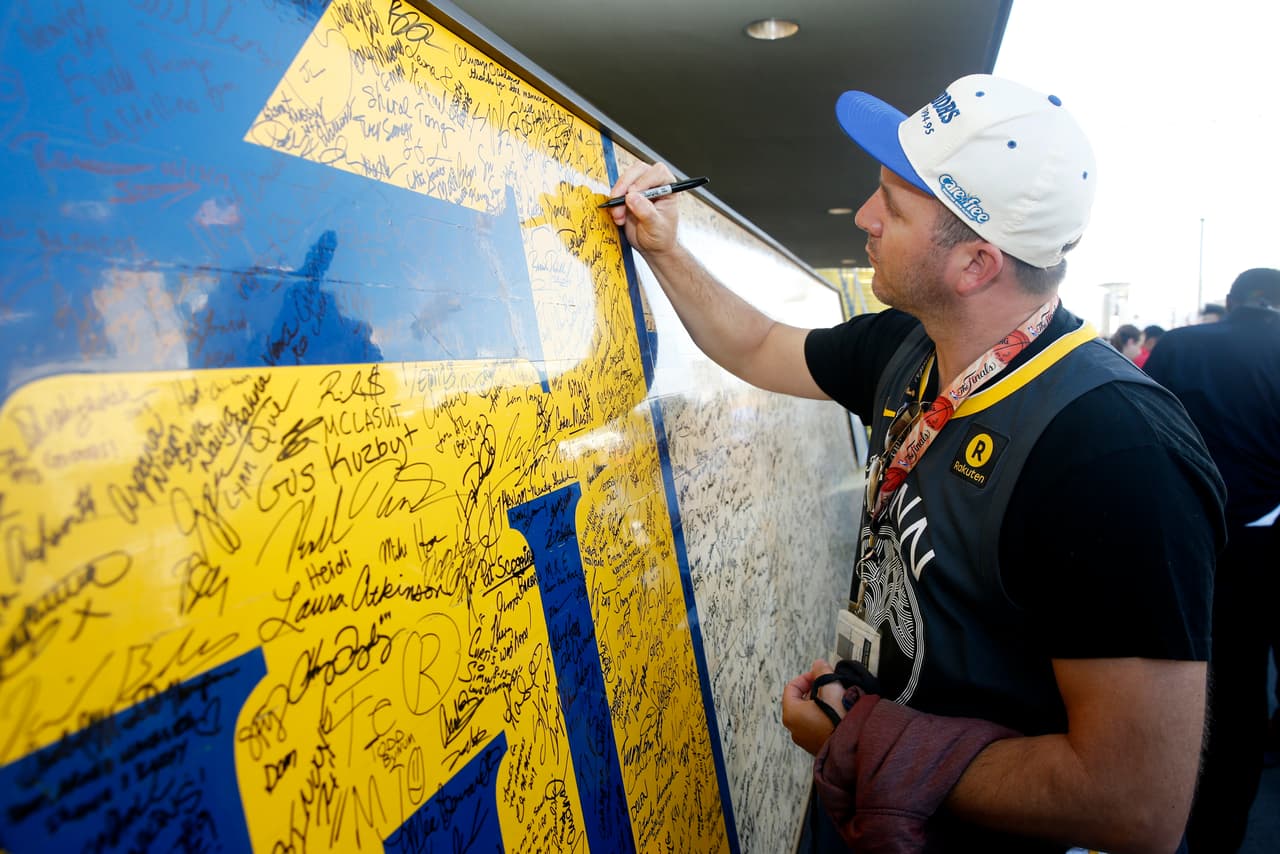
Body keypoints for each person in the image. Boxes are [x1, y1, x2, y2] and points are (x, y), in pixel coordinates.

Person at [608, 73, 1225, 852]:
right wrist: (666, 249)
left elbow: (1133, 804)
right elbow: (760, 344)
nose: (864, 216)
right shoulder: (908, 345)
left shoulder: (1115, 451)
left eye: (893, 207)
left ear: (975, 264)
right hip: (873, 809)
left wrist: (865, 744)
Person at [1142, 268, 1280, 853]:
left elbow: (1142, 429)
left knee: (1192, 675)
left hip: (1184, 536)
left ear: (1230, 301)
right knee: (1244, 690)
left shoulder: (1179, 346)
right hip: (1264, 536)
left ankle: (1180, 818)